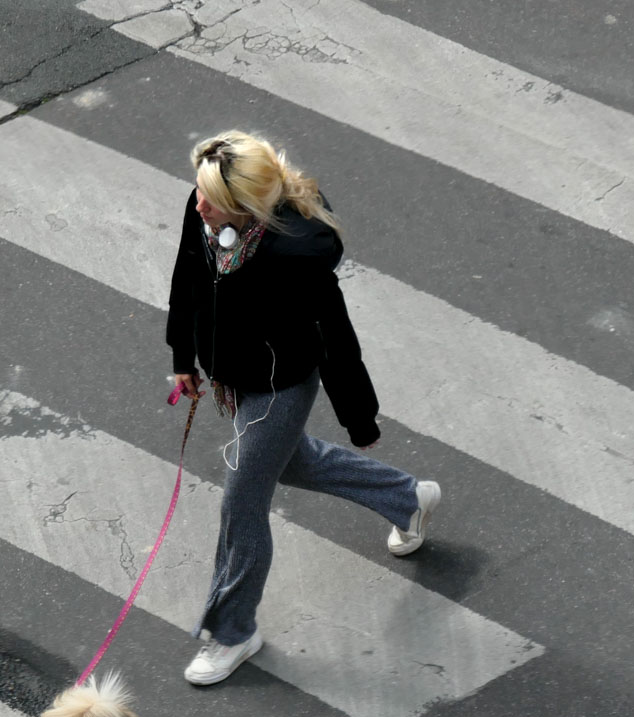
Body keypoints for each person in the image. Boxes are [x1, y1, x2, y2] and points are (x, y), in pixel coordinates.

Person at [166, 130, 441, 686]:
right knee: (291, 462)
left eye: (210, 198)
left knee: (242, 504)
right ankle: (407, 498)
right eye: (199, 191)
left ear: (245, 204)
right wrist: (183, 358)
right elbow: (187, 279)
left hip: (279, 387)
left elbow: (335, 335)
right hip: (234, 375)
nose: (198, 205)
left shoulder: (295, 256)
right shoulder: (207, 215)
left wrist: (358, 416)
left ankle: (233, 632)